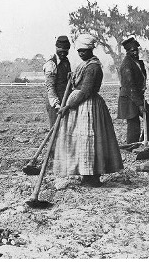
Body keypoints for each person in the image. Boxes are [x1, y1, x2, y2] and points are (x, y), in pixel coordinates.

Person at [53, 34, 123, 187]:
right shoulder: (85, 65)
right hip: (81, 105)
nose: (81, 54)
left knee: (90, 140)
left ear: (91, 50)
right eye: (79, 51)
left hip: (88, 105)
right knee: (82, 141)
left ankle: (92, 176)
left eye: (84, 51)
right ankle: (86, 174)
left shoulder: (93, 67)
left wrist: (68, 106)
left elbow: (85, 91)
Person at [117, 36, 149, 143]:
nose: (135, 52)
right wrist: (140, 104)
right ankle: (131, 146)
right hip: (128, 97)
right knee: (134, 123)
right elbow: (130, 86)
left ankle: (146, 141)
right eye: (132, 51)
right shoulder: (126, 64)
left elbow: (141, 77)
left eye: (136, 50)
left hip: (137, 96)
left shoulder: (138, 62)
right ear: (127, 52)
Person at [43, 35, 72, 126]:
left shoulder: (66, 61)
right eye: (60, 51)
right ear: (56, 48)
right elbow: (50, 87)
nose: (63, 54)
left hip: (65, 100)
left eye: (65, 51)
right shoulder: (51, 64)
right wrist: (56, 105)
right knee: (56, 129)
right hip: (55, 103)